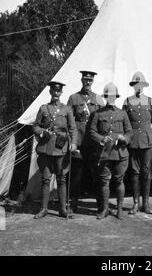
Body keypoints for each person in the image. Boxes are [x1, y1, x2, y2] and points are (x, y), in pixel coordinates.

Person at [32, 81, 77, 219]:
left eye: (58, 91)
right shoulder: (44, 108)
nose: (56, 93)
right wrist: (41, 132)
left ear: (61, 93)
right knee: (46, 179)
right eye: (54, 90)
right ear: (50, 92)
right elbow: (35, 126)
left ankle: (63, 209)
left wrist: (73, 143)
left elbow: (72, 128)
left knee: (61, 179)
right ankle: (44, 208)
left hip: (60, 148)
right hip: (46, 148)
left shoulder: (67, 109)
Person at [89, 82, 132, 220]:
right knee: (104, 182)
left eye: (113, 96)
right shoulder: (97, 114)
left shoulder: (122, 113)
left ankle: (119, 209)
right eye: (108, 96)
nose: (110, 98)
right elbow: (92, 131)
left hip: (120, 153)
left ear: (116, 97)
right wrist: (102, 138)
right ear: (105, 97)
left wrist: (123, 138)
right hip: (105, 153)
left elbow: (130, 132)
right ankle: (105, 209)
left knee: (119, 181)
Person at [123, 71, 152, 215]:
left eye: (141, 84)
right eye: (136, 84)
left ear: (144, 86)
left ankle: (146, 204)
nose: (138, 87)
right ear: (133, 86)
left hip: (147, 142)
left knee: (146, 173)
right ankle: (135, 203)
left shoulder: (150, 101)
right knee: (134, 173)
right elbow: (124, 122)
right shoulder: (127, 101)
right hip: (133, 143)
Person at [67, 71, 104, 212]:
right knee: (76, 175)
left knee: (97, 174)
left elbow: (102, 119)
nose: (87, 82)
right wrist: (72, 141)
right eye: (85, 80)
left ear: (92, 82)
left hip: (94, 143)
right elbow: (69, 121)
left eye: (90, 80)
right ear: (81, 80)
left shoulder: (98, 99)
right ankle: (73, 204)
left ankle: (100, 205)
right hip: (79, 142)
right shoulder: (73, 98)